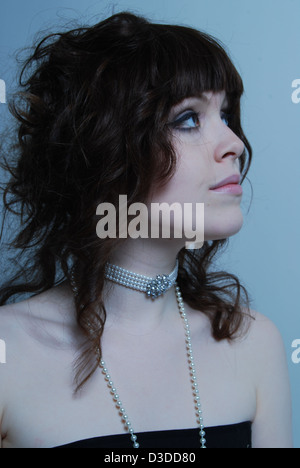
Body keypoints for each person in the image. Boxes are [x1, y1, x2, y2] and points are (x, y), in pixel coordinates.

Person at [0, 11, 292, 448]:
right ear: (107, 150)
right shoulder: (9, 352)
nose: (233, 143)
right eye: (188, 118)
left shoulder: (254, 343)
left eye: (226, 114)